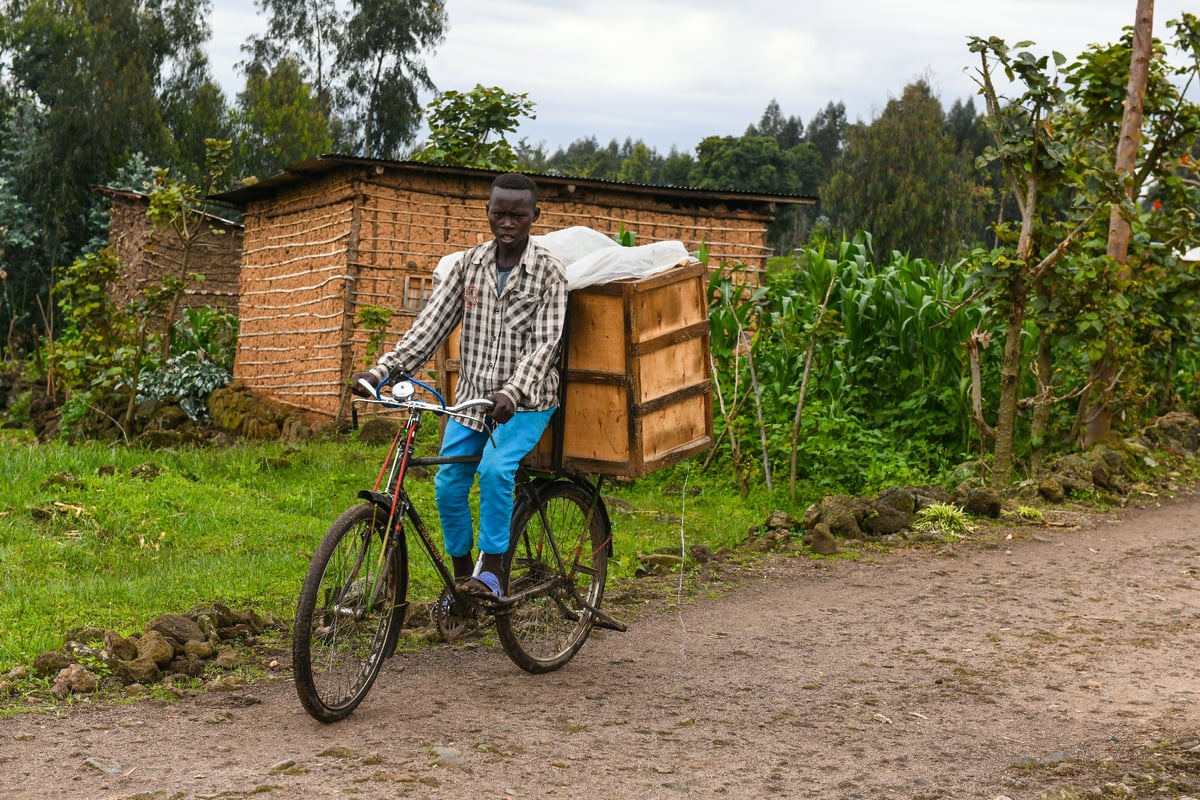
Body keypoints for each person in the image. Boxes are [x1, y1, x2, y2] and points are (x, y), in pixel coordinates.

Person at [351, 173, 567, 602]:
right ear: (487, 213)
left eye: (518, 215)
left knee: (494, 469)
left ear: (534, 217)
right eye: (499, 213)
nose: (507, 222)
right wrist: (382, 371)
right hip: (472, 401)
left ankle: (493, 570)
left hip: (525, 404)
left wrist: (513, 392)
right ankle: (463, 576)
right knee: (448, 482)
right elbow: (429, 327)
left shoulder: (549, 273)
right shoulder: (467, 266)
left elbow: (546, 344)